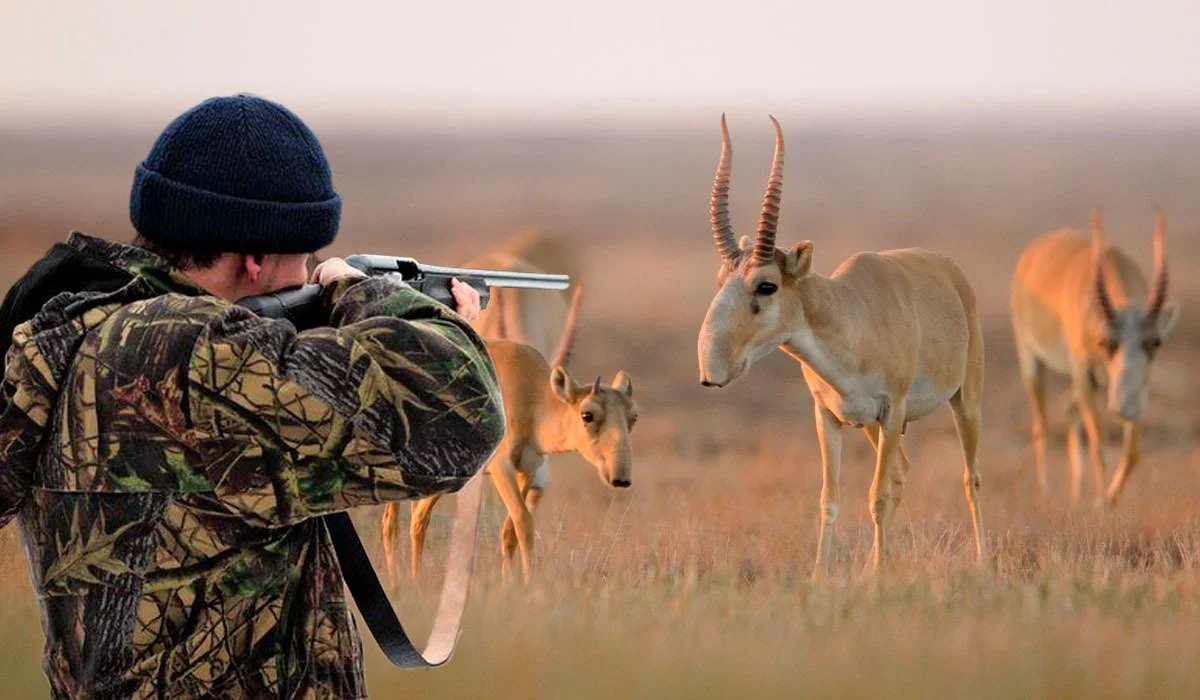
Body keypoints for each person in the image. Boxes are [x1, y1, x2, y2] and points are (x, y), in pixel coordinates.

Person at [0, 94, 506, 699]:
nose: (311, 271)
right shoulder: (197, 355)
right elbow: (461, 414)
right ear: (258, 258)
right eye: (306, 256)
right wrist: (362, 295)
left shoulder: (75, 332)